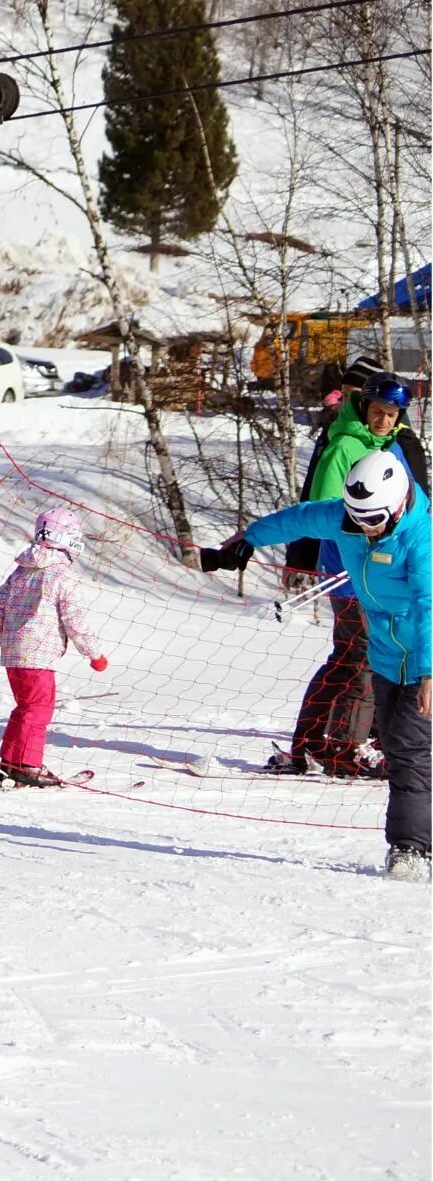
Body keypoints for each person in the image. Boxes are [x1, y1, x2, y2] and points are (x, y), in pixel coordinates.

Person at [205, 452, 430, 880]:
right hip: (385, 654)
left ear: (399, 503)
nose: (366, 528)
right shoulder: (347, 519)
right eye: (358, 518)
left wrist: (428, 673)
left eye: (375, 519)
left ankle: (411, 850)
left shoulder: (422, 538)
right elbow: (299, 519)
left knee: (408, 750)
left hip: (425, 653)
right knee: (405, 751)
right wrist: (249, 538)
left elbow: (427, 607)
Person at [274, 370, 416, 775]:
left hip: (385, 573)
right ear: (364, 407)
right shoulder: (345, 447)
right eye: (379, 411)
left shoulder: (389, 447)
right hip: (350, 571)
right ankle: (340, 744)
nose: (385, 420)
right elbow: (321, 513)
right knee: (360, 657)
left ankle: (317, 741)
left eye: (393, 413)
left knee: (361, 657)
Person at [0, 505, 107, 788]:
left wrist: (5, 636)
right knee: (38, 709)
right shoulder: (62, 574)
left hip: (14, 652)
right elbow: (74, 620)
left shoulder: (21, 570)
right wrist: (94, 654)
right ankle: (28, 765)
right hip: (37, 655)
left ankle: (10, 761)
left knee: (24, 707)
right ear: (70, 539)